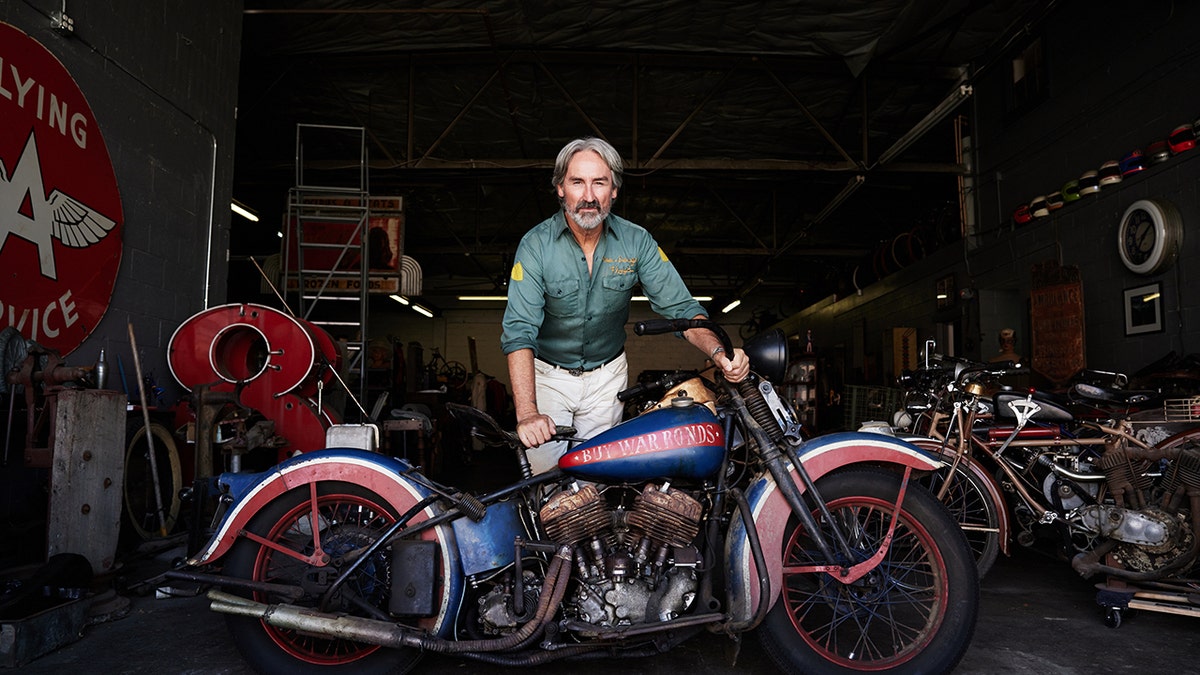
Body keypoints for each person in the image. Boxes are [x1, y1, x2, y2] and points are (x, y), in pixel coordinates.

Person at [501, 137, 750, 474]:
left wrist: (719, 353)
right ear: (560, 188)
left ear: (614, 190)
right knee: (546, 483)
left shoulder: (637, 241)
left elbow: (682, 308)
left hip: (607, 379)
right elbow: (519, 331)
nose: (589, 196)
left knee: (598, 480)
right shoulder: (535, 246)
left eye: (599, 183)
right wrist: (528, 413)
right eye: (577, 182)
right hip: (548, 377)